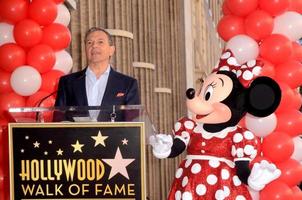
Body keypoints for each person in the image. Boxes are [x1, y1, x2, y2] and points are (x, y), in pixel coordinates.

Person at [54, 27, 140, 121]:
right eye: (89, 42)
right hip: (77, 136)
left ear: (111, 50)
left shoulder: (128, 84)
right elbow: (58, 122)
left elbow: (134, 124)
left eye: (100, 42)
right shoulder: (68, 82)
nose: (94, 46)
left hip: (115, 136)